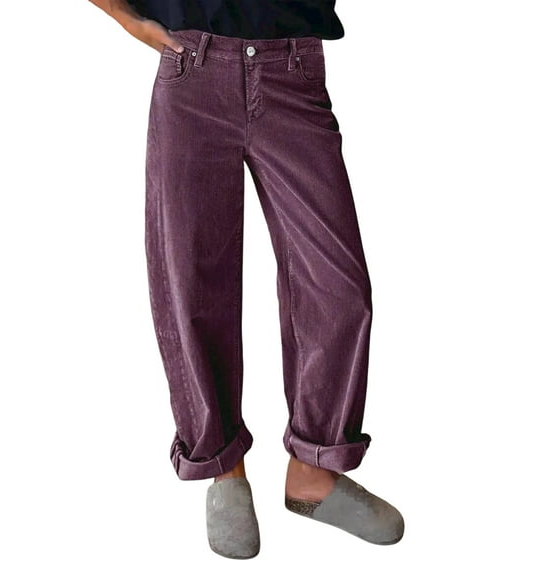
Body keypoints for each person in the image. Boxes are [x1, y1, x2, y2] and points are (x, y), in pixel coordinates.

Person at [89, 0, 404, 559]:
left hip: (294, 71)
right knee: (192, 280)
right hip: (193, 69)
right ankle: (223, 469)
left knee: (339, 286)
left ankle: (314, 471)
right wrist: (125, 18)